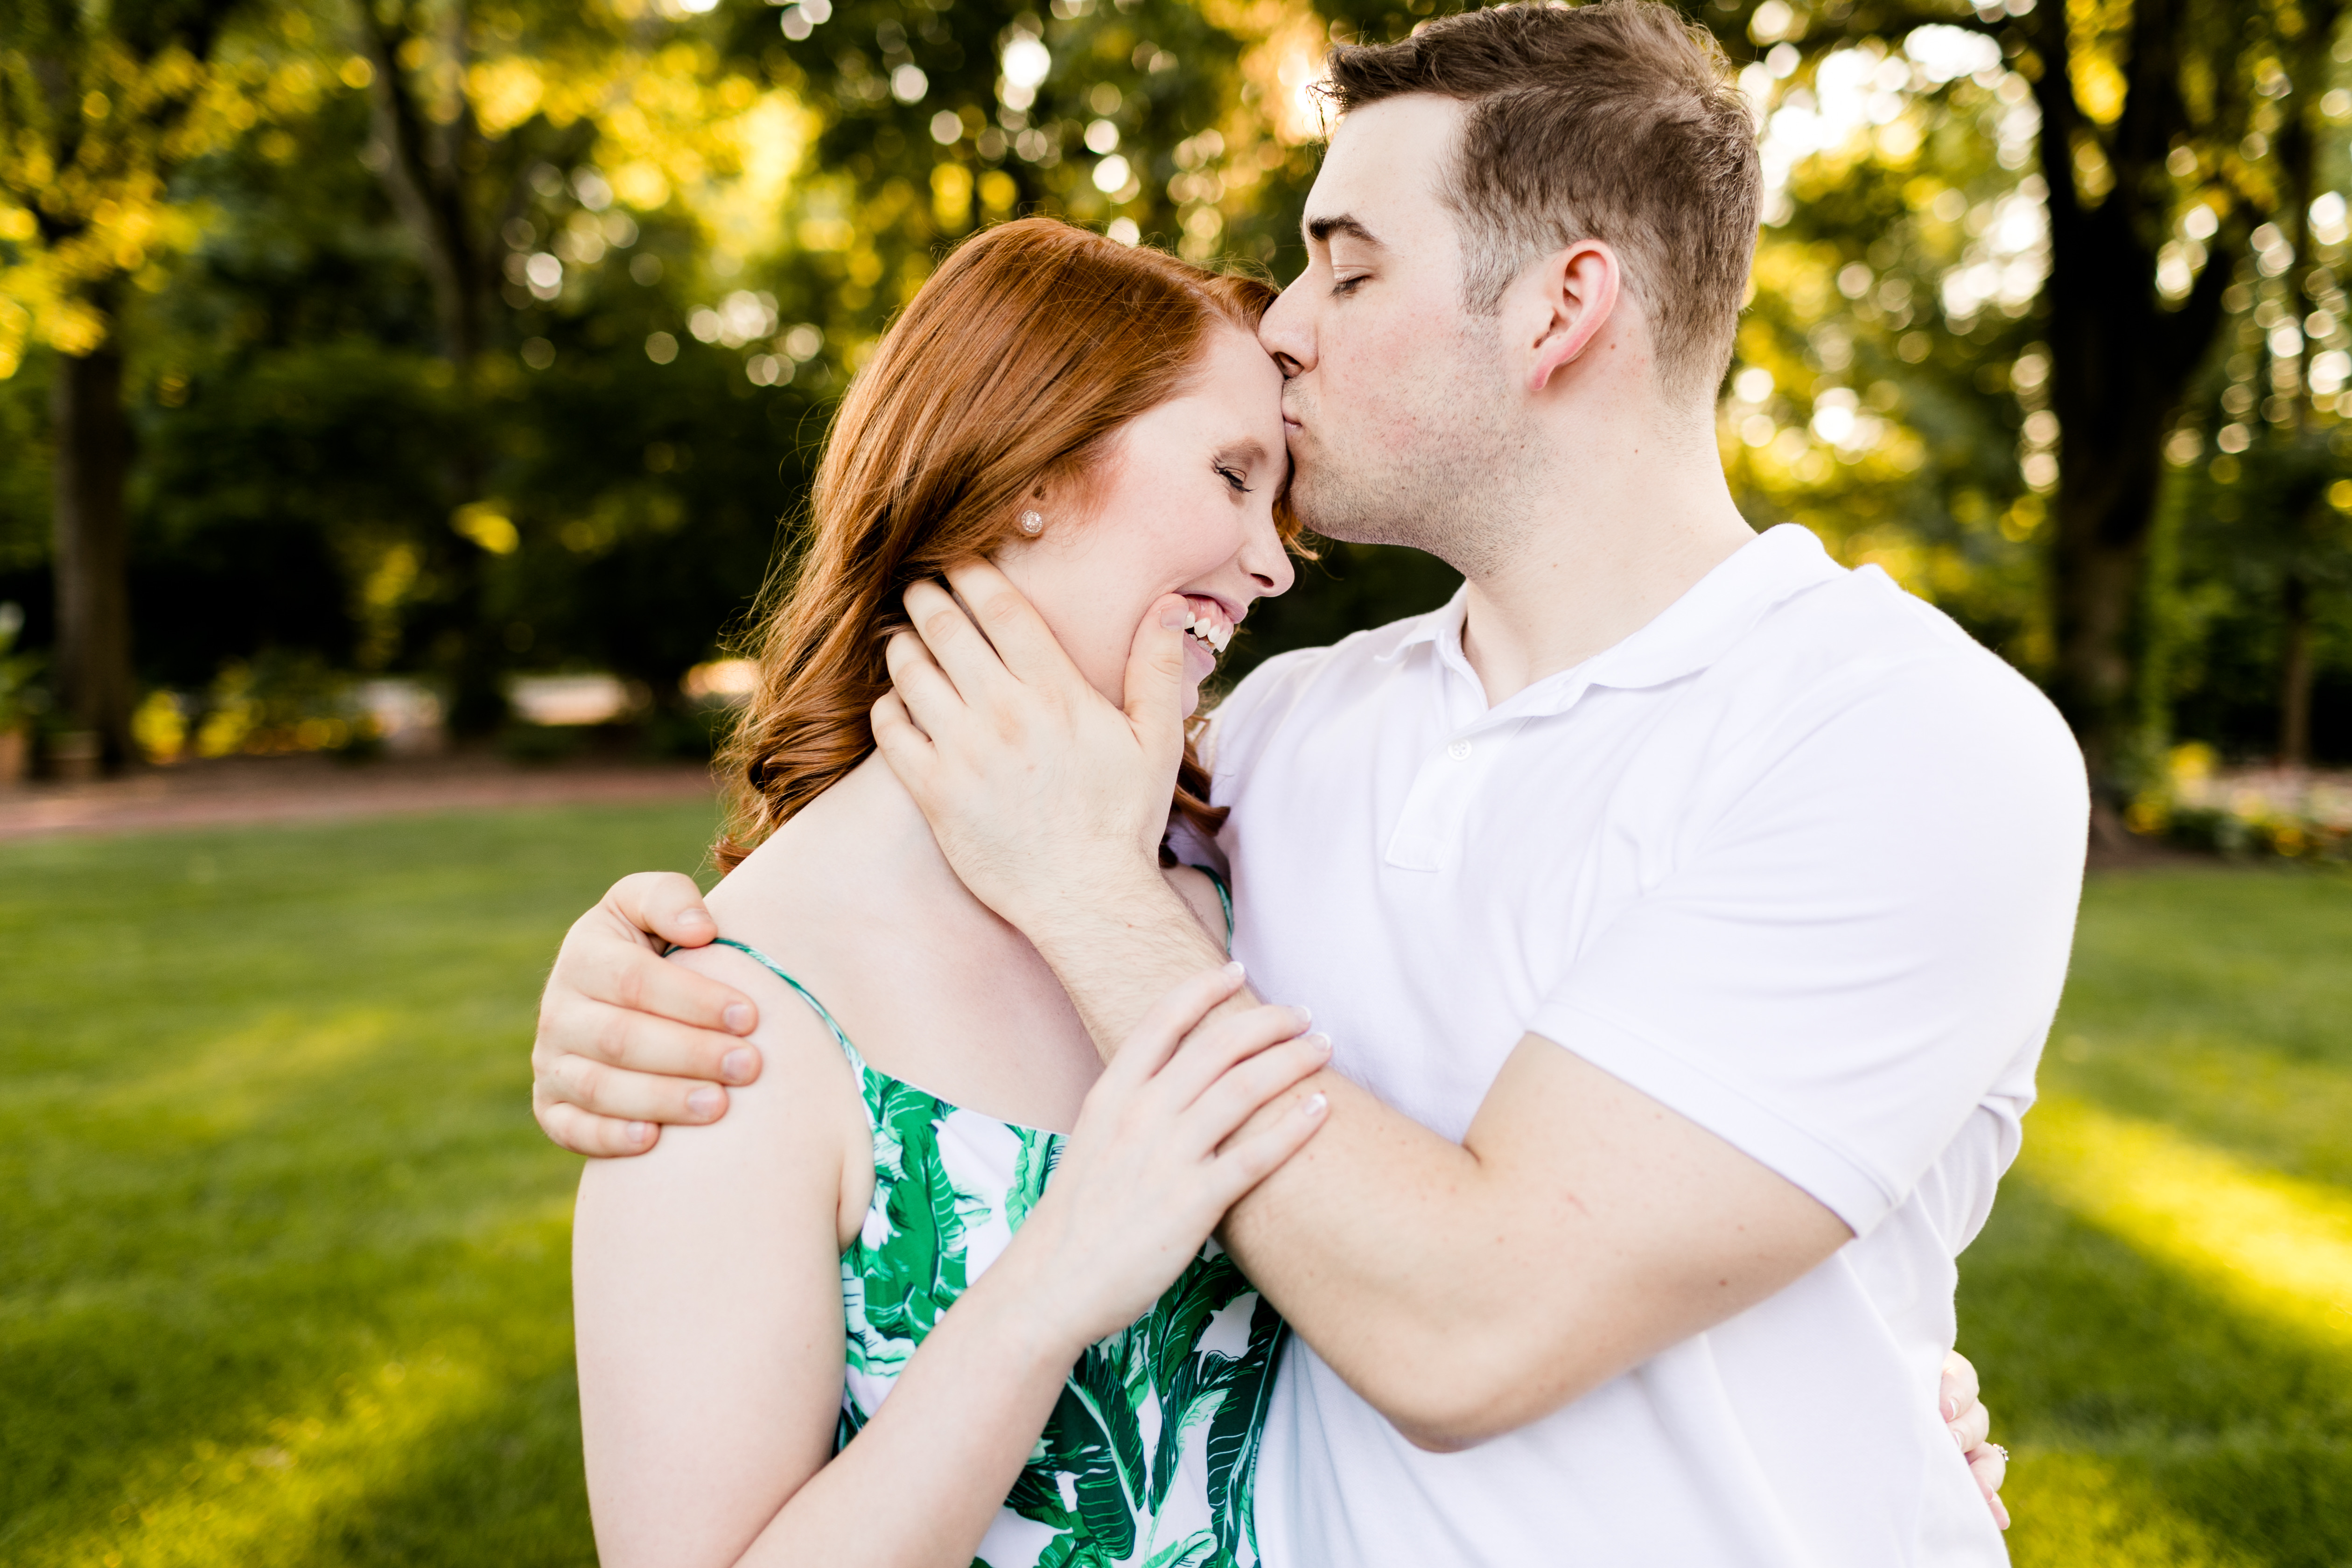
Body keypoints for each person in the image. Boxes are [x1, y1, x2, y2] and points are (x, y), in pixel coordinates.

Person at [542, 5, 2063, 1563]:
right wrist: (630, 990)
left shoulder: (1907, 736)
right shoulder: (1274, 741)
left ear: (1561, 309)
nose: (1284, 327)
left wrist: (1086, 892)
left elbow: (1476, 1329)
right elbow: (902, 947)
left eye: (1349, 266)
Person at [570, 220, 1339, 1568]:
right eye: (1230, 475)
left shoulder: (1234, 883)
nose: (1271, 563)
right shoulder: (729, 1029)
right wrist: (1052, 1283)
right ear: (1031, 470)